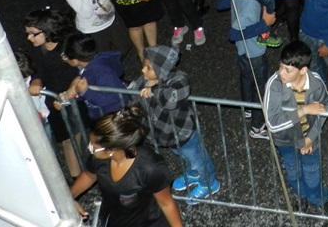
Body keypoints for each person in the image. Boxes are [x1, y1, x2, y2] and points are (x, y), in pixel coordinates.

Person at [130, 45, 220, 203]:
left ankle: (209, 183)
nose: (143, 70)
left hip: (183, 133)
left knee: (199, 160)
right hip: (165, 135)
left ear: (162, 70)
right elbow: (132, 97)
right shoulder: (144, 80)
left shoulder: (179, 80)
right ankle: (194, 173)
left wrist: (154, 90)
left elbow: (171, 99)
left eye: (148, 68)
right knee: (183, 156)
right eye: (143, 65)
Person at [69, 106, 184, 225]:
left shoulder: (151, 168)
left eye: (93, 146)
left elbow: (166, 204)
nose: (89, 148)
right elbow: (89, 175)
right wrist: (69, 199)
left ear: (111, 150)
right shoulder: (99, 158)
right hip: (114, 219)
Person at [264, 41, 328, 215]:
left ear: (303, 70)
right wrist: (304, 110)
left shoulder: (316, 82)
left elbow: (325, 107)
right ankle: (301, 196)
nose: (281, 73)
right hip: (286, 140)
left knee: (312, 173)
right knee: (293, 172)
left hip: (309, 139)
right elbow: (272, 122)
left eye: (287, 70)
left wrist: (310, 138)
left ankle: (318, 199)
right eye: (281, 66)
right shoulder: (274, 84)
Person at [25, 8, 84, 180]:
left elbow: (84, 66)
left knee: (87, 131)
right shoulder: (37, 47)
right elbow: (37, 67)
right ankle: (77, 178)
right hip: (55, 96)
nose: (29, 38)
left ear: (47, 31)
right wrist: (37, 80)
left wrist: (72, 89)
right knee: (68, 137)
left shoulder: (71, 42)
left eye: (33, 34)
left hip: (79, 93)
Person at [61, 32, 126, 120]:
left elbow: (115, 97)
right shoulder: (89, 68)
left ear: (75, 61)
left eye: (66, 57)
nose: (65, 59)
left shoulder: (101, 71)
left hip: (115, 117)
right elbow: (89, 90)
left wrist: (86, 92)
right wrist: (70, 96)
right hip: (105, 115)